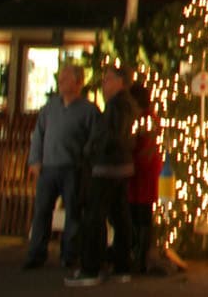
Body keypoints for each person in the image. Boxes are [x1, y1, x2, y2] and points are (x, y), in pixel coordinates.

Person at [67, 63, 140, 287]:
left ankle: (91, 268)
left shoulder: (116, 107)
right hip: (121, 166)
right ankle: (121, 265)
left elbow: (110, 136)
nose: (104, 84)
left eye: (108, 79)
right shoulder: (126, 105)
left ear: (120, 82)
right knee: (119, 215)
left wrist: (92, 151)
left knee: (94, 216)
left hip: (107, 167)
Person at [23, 62, 98, 270]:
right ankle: (36, 253)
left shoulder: (88, 110)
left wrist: (83, 160)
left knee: (73, 213)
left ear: (78, 82)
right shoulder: (50, 108)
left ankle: (69, 254)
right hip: (49, 167)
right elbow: (38, 134)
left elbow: (94, 139)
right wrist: (35, 160)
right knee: (42, 211)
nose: (61, 82)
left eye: (66, 78)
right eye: (60, 78)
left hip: (72, 168)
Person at [126, 83, 163, 275]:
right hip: (145, 170)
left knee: (140, 213)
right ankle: (139, 255)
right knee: (141, 213)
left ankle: (139, 257)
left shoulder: (143, 119)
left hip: (141, 171)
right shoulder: (150, 119)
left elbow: (137, 143)